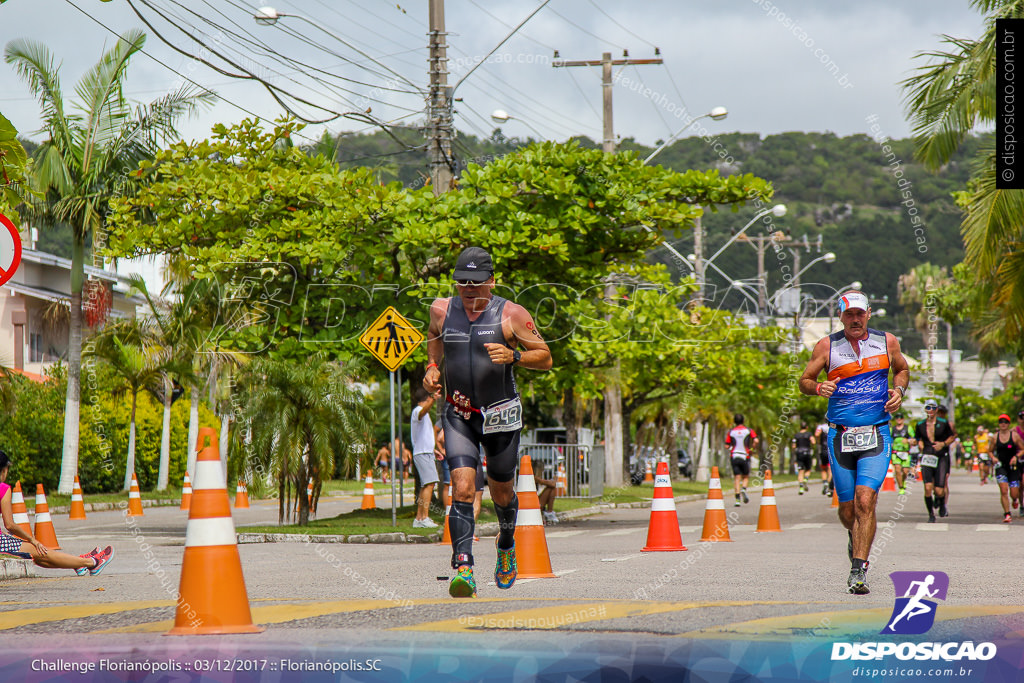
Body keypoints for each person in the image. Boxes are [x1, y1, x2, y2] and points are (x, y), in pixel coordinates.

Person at [423, 246, 552, 599]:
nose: (468, 288)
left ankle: (506, 542)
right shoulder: (440, 310)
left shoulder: (511, 315)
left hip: (500, 416)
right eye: (462, 281)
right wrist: (432, 369)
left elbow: (545, 357)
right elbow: (434, 341)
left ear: (491, 281)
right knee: (462, 489)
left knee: (502, 492)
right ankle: (463, 567)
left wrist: (515, 355)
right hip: (459, 414)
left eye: (476, 282)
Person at [799, 291, 909, 595]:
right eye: (849, 315)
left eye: (860, 314)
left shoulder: (887, 342)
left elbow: (901, 369)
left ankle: (859, 569)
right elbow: (804, 380)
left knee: (865, 501)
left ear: (869, 314)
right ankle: (855, 536)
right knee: (848, 511)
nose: (855, 319)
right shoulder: (827, 346)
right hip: (840, 435)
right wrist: (819, 386)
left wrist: (898, 391)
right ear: (840, 316)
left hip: (876, 432)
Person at [0, 450, 114, 575]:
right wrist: (32, 540)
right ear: (4, 470)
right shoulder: (3, 488)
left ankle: (79, 563)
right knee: (39, 551)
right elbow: (10, 524)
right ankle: (92, 563)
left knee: (39, 557)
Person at [914, 400, 956, 523]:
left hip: (941, 456)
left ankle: (942, 503)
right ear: (925, 409)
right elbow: (918, 439)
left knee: (939, 489)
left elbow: (952, 436)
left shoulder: (943, 423)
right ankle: (931, 514)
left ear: (936, 410)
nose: (931, 410)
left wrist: (943, 444)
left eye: (933, 408)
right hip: (927, 456)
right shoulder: (920, 424)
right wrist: (920, 444)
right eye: (928, 407)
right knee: (927, 487)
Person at [410, 388, 441, 528]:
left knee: (426, 485)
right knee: (430, 484)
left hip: (425, 452)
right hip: (422, 453)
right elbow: (423, 412)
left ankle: (419, 518)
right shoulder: (418, 411)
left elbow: (423, 436)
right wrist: (434, 399)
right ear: (427, 399)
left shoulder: (422, 413)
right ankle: (424, 518)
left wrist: (433, 450)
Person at [992, 414, 1023, 523]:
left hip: (1013, 466)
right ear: (999, 424)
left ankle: (1015, 500)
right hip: (1001, 466)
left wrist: (1016, 457)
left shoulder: (1014, 436)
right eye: (1001, 422)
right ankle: (1007, 514)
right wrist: (993, 458)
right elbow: (989, 450)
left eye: (1005, 422)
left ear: (1009, 424)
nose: (1003, 424)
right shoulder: (995, 437)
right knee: (1004, 490)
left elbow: (1023, 449)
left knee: (1014, 493)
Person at [725, 414, 758, 507]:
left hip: (734, 456)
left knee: (737, 477)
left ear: (734, 421)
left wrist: (732, 448)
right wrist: (752, 449)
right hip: (745, 456)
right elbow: (756, 441)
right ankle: (744, 488)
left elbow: (726, 445)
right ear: (743, 421)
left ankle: (737, 500)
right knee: (746, 476)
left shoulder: (731, 432)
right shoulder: (748, 430)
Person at [791, 422, 815, 495]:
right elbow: (813, 441)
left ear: (800, 427)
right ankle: (806, 479)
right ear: (806, 427)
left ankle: (801, 487)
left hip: (799, 453)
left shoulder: (796, 435)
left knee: (800, 471)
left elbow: (793, 446)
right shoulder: (809, 434)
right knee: (808, 469)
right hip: (807, 452)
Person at [890, 414, 912, 495]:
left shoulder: (908, 428)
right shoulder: (892, 429)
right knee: (898, 470)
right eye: (897, 418)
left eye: (900, 418)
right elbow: (888, 439)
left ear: (903, 419)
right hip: (896, 453)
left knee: (905, 471)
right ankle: (901, 487)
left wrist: (909, 441)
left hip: (905, 453)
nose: (899, 419)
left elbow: (914, 439)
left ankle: (903, 481)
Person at [814, 420, 833, 496]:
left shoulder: (820, 427)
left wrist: (818, 441)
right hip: (830, 450)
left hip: (822, 450)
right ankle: (828, 484)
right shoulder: (833, 425)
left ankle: (825, 483)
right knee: (830, 468)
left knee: (823, 468)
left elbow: (817, 434)